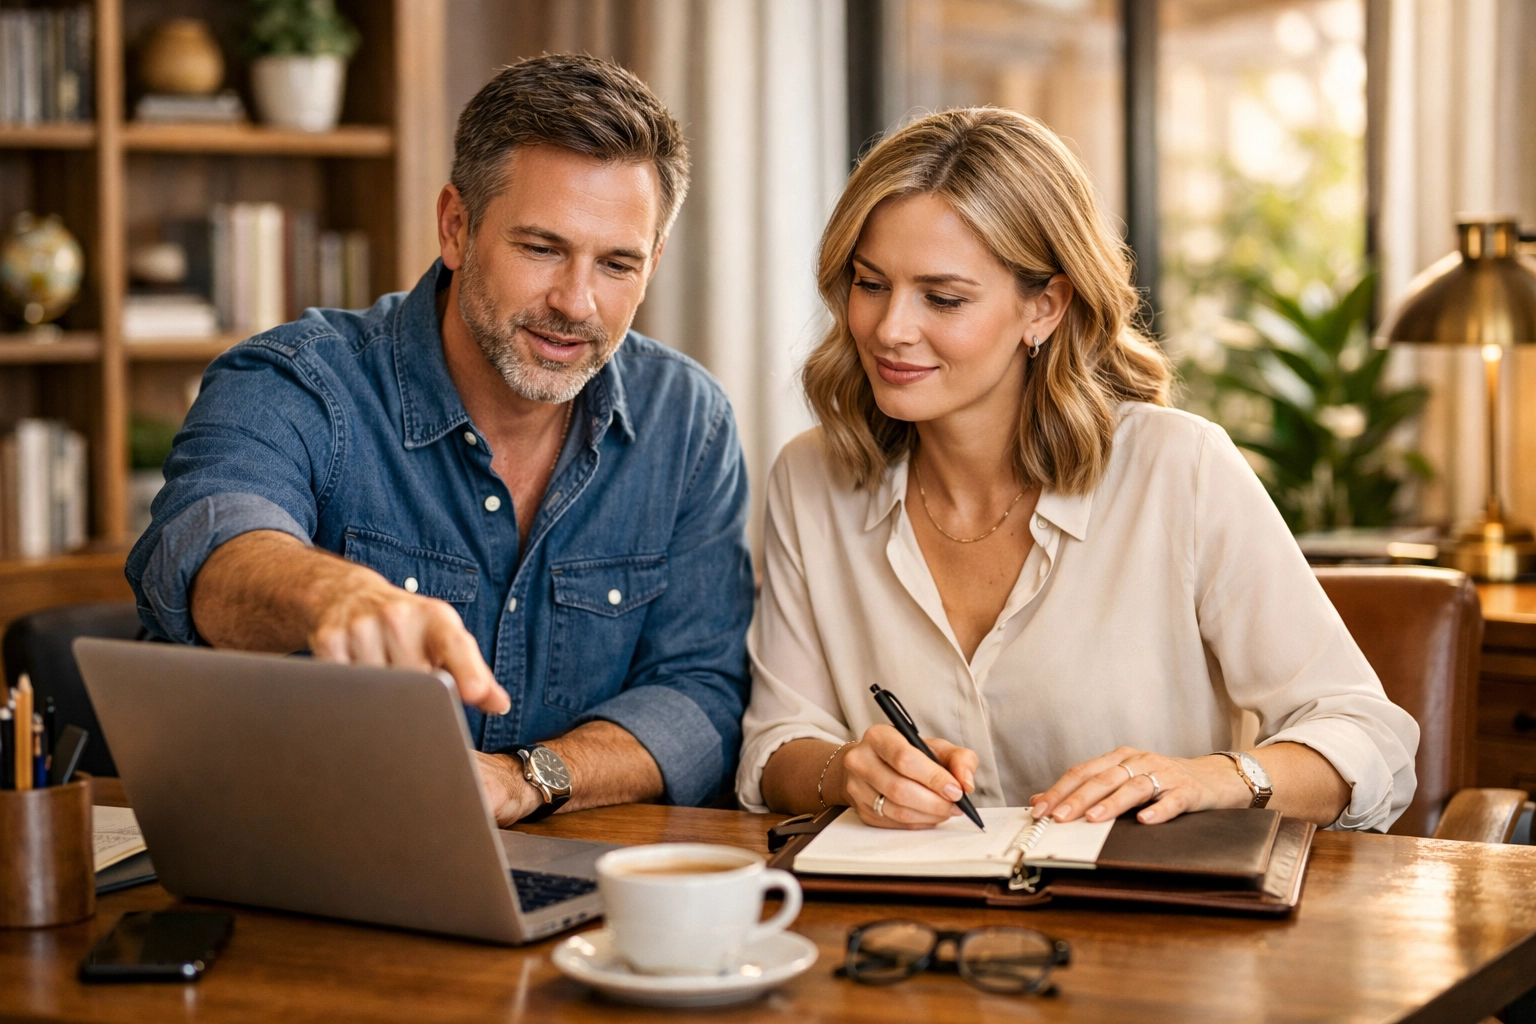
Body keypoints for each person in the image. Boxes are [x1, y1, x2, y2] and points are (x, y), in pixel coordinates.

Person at [738, 108, 1418, 833]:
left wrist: (1214, 778)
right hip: (910, 930)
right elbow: (775, 743)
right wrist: (845, 772)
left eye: (943, 298)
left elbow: (1366, 736)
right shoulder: (810, 478)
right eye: (870, 284)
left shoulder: (1178, 469)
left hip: (1150, 929)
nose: (888, 328)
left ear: (1045, 306)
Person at [127, 55, 754, 825]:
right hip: (306, 863)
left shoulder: (689, 423)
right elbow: (201, 549)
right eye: (541, 248)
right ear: (456, 226)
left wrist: (532, 778)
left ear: (653, 262)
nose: (576, 302)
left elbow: (701, 692)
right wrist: (334, 595)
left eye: (617, 263)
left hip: (574, 884)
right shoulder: (295, 381)